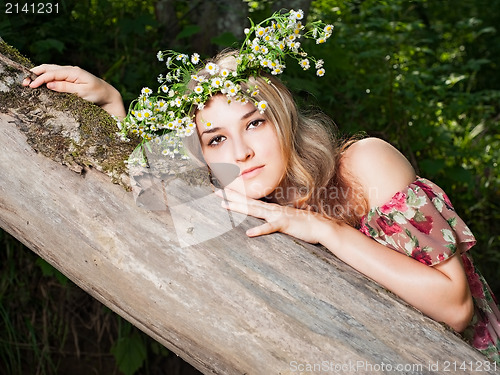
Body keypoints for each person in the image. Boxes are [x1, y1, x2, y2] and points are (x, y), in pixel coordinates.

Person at [23, 10, 499, 364]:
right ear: (202, 154)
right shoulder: (237, 195)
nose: (241, 153)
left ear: (285, 118)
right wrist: (111, 104)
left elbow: (454, 307)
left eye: (255, 123)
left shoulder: (364, 163)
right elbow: (148, 189)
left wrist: (324, 229)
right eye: (216, 139)